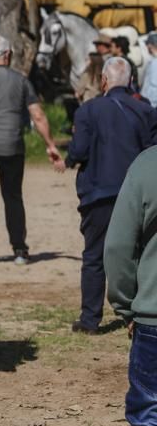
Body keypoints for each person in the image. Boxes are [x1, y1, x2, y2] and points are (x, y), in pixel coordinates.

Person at [66, 57, 157, 334]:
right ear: (130, 81)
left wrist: (69, 159)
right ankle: (139, 312)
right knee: (140, 252)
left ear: (104, 81)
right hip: (136, 194)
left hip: (99, 194)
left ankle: (90, 319)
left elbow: (79, 151)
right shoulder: (146, 111)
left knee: (94, 256)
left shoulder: (87, 110)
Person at [0, 36, 64, 265]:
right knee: (13, 198)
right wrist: (50, 144)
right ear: (8, 54)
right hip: (12, 146)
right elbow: (37, 115)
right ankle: (19, 249)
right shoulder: (21, 81)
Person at [104, 139, 157, 426]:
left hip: (153, 318)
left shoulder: (147, 164)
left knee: (150, 421)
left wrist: (125, 306)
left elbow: (118, 247)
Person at [141, 33, 157, 105]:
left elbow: (154, 86)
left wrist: (149, 104)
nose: (146, 46)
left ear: (150, 45)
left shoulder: (154, 63)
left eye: (147, 44)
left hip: (151, 104)